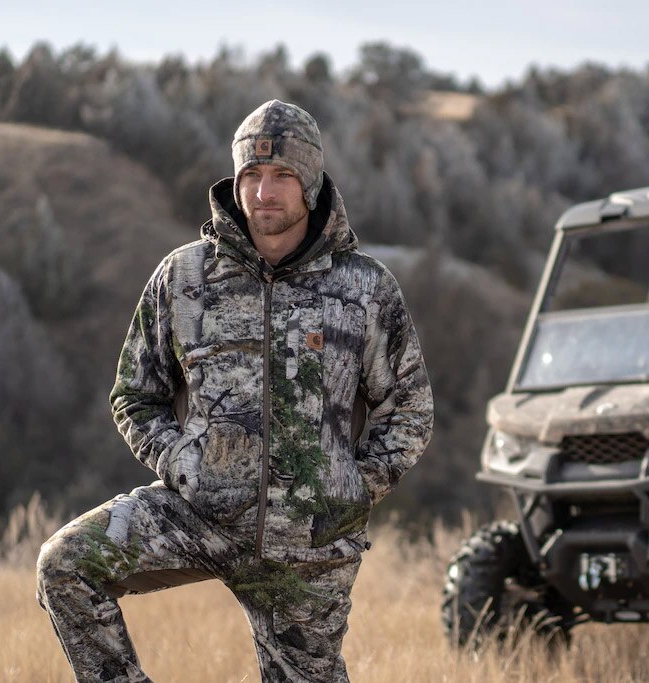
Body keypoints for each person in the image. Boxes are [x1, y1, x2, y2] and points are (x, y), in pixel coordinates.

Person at [35, 99, 434, 682]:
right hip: (199, 515)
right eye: (252, 174)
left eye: (282, 175)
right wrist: (181, 462)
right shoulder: (184, 277)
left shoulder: (365, 288)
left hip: (309, 543)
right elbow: (134, 394)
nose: (263, 192)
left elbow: (410, 410)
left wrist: (348, 492)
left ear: (311, 182)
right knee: (65, 567)